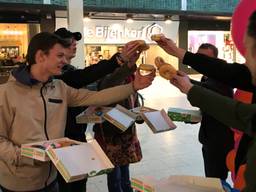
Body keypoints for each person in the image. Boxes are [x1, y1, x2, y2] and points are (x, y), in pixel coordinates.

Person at [0, 32, 155, 192]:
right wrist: (28, 157)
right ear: (40, 56)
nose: (65, 60)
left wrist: (133, 87)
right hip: (18, 183)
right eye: (60, 55)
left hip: (52, 180)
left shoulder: (59, 88)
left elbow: (97, 97)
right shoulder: (6, 93)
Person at [157, 10, 256, 192]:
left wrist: (188, 86)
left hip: (220, 141)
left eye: (248, 52)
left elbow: (236, 109)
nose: (246, 63)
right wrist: (179, 54)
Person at [53, 28, 144, 192]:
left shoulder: (67, 74)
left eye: (74, 43)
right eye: (68, 44)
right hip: (66, 139)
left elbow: (92, 96)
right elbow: (94, 82)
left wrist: (133, 85)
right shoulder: (59, 78)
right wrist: (120, 60)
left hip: (80, 135)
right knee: (72, 183)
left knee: (81, 182)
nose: (74, 45)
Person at [93, 58, 142, 192]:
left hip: (126, 134)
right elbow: (106, 90)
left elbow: (135, 103)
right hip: (110, 136)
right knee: (115, 175)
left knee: (125, 171)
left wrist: (140, 115)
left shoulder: (131, 81)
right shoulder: (106, 81)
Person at [193, 43, 234, 180]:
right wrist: (194, 116)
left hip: (220, 141)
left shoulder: (222, 78)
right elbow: (207, 103)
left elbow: (208, 92)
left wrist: (185, 82)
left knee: (216, 180)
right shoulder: (206, 76)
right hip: (208, 137)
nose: (201, 62)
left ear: (215, 60)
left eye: (205, 58)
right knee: (211, 178)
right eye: (198, 58)